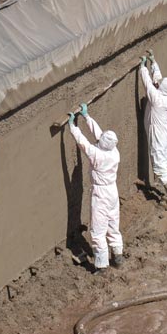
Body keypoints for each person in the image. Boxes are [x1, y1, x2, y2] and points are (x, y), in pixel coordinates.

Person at [68, 104, 124, 270]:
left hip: (100, 194)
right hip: (112, 192)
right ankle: (118, 254)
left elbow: (82, 142)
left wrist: (73, 126)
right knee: (113, 225)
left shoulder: (97, 155)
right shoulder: (114, 152)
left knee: (98, 231)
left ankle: (101, 265)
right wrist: (87, 117)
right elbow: (100, 136)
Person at [138, 53, 167, 209]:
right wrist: (153, 62)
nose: (158, 84)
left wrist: (142, 67)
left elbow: (148, 83)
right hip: (165, 134)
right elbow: (157, 81)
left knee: (160, 165)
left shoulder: (156, 98)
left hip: (158, 136)